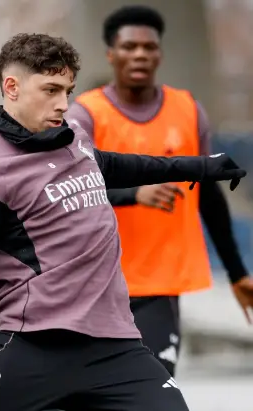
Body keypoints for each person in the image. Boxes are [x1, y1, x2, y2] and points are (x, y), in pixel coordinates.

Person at [0, 32, 245, 411]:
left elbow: (116, 165)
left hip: (114, 346)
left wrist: (198, 166)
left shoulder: (73, 138)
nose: (63, 104)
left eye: (68, 91)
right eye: (51, 90)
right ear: (12, 87)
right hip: (35, 342)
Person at [66, 5, 253, 378]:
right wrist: (134, 195)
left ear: (160, 54)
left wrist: (236, 272)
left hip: (159, 286)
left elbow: (208, 195)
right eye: (129, 46)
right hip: (97, 282)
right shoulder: (85, 115)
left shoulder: (187, 111)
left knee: (155, 387)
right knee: (98, 393)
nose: (140, 54)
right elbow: (69, 192)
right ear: (111, 54)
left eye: (148, 47)